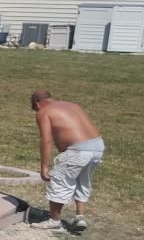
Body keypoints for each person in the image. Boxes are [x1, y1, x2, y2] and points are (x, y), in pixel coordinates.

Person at [31, 90, 105, 232]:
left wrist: (44, 167)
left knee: (60, 180)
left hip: (78, 150)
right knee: (82, 181)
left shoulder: (44, 112)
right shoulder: (72, 105)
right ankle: (80, 217)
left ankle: (54, 221)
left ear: (37, 104)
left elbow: (46, 140)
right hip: (97, 146)